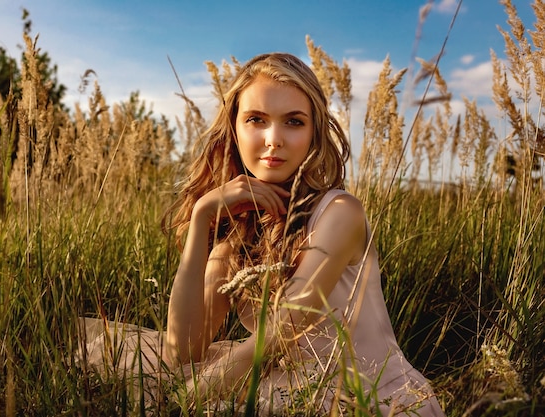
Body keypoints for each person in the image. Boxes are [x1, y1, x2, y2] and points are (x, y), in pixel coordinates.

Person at [80, 52, 445, 416]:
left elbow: (281, 332)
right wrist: (200, 218)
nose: (274, 139)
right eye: (256, 119)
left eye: (293, 122)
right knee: (127, 357)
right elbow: (181, 351)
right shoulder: (240, 233)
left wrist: (182, 398)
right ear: (234, 129)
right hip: (285, 384)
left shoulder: (339, 213)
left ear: (314, 132)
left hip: (369, 397)